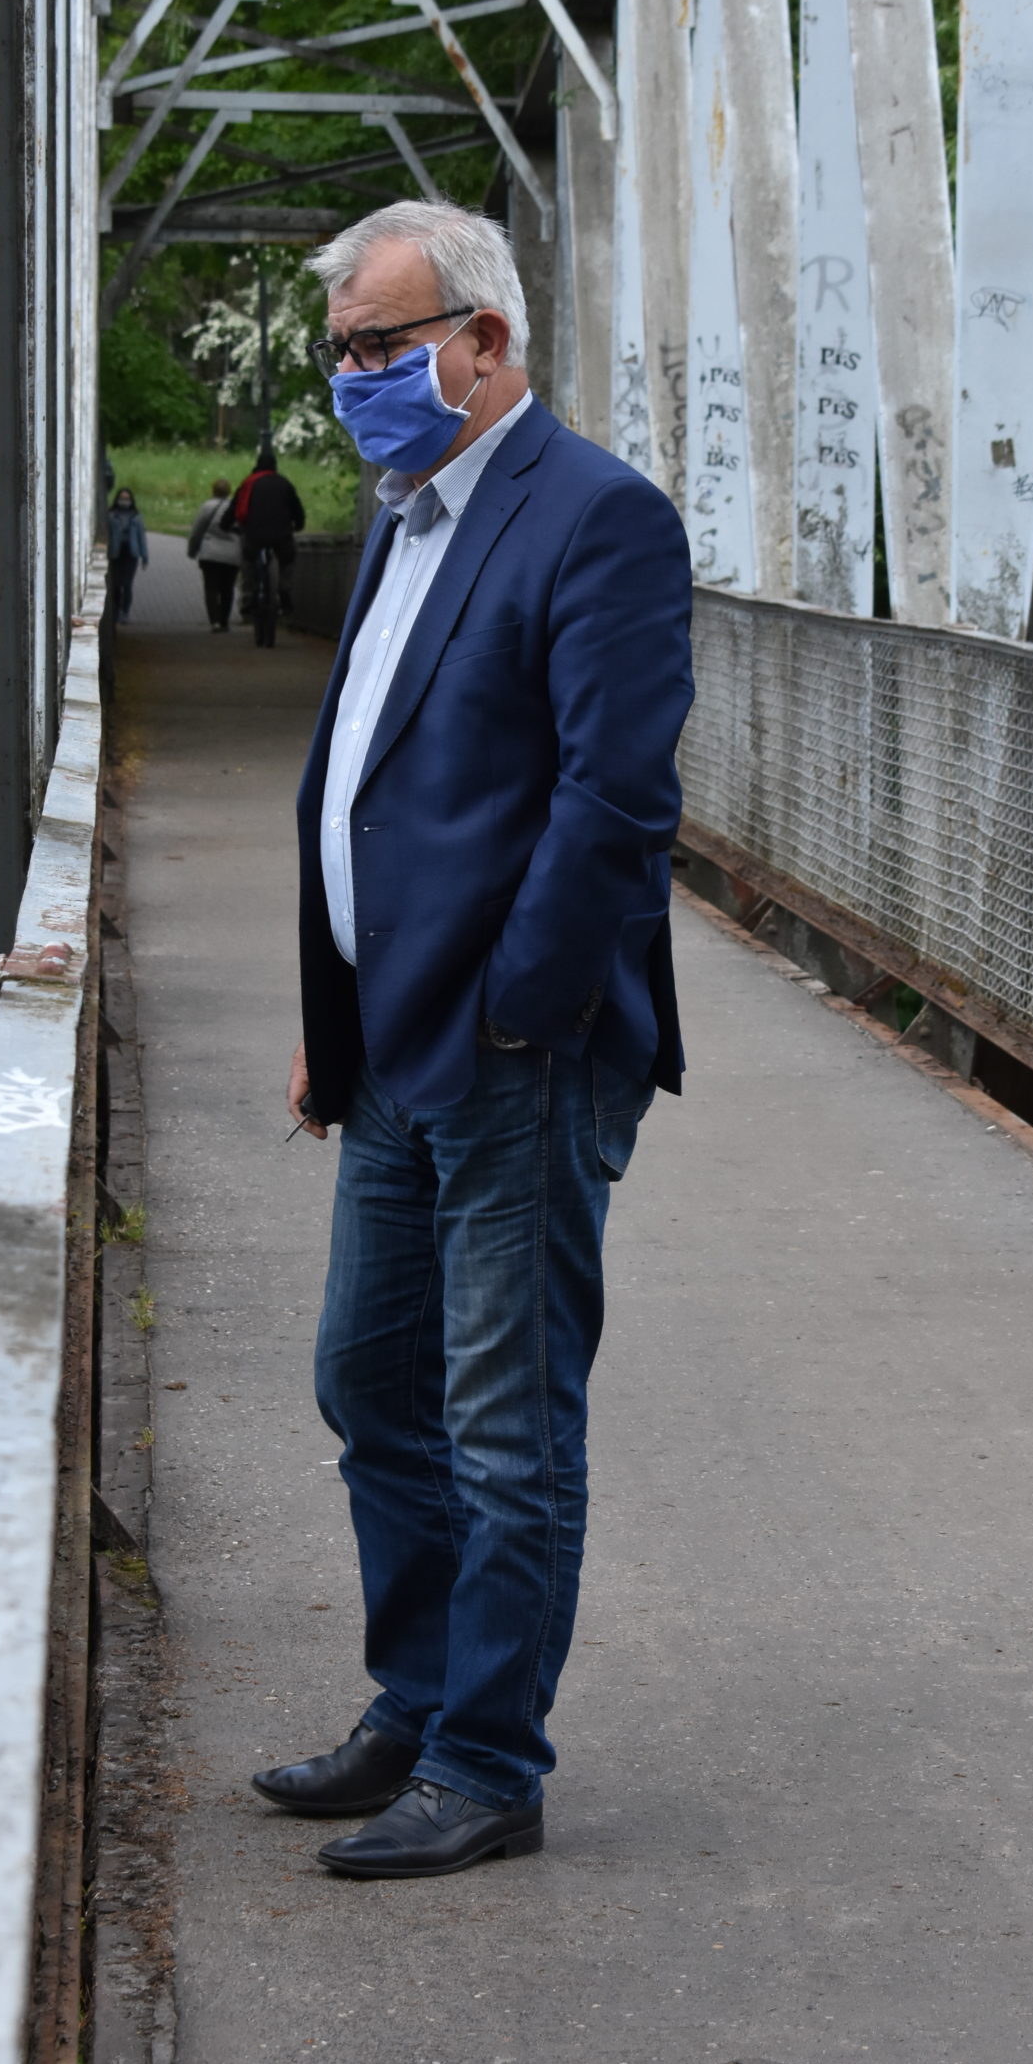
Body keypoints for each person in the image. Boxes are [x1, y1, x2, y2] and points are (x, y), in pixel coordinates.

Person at [249, 202, 693, 1881]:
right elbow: (367, 785)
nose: (352, 377)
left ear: (483, 340)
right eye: (341, 351)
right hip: (391, 1047)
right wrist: (340, 1018)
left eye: (379, 344)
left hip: (515, 1055)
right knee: (369, 1380)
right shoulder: (403, 514)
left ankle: (489, 1763)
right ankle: (419, 1702)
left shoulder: (596, 517)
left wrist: (519, 1011)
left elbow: (613, 800)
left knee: (506, 1424)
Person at [224, 444, 305, 644]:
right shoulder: (284, 484)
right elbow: (297, 509)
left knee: (248, 562)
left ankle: (249, 597)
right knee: (287, 560)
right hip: (282, 537)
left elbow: (234, 508)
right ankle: (284, 593)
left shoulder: (248, 483)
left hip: (254, 536)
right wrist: (298, 525)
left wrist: (226, 525)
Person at [186, 477, 241, 631]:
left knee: (211, 588)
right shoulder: (235, 508)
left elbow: (197, 531)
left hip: (210, 554)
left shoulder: (207, 507)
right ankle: (224, 621)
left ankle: (214, 621)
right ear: (229, 491)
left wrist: (192, 551)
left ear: (213, 490)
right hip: (232, 554)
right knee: (227, 588)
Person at [107, 486, 148, 622]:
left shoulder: (136, 517)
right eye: (122, 498)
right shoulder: (111, 515)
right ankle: (116, 610)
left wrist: (145, 557)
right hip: (116, 553)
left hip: (131, 554)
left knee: (127, 584)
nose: (124, 501)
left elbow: (142, 538)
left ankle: (125, 612)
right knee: (116, 585)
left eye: (127, 499)